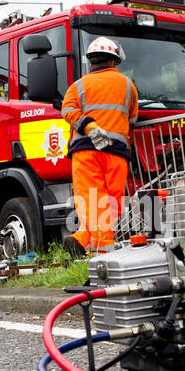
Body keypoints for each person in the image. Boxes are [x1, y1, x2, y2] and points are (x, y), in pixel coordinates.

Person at [60, 37, 139, 255]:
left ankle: (87, 243)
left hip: (86, 152)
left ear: (91, 62)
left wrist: (89, 126)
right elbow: (132, 118)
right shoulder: (127, 85)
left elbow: (67, 111)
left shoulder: (78, 86)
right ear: (114, 61)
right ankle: (95, 248)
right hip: (117, 153)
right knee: (111, 204)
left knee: (92, 202)